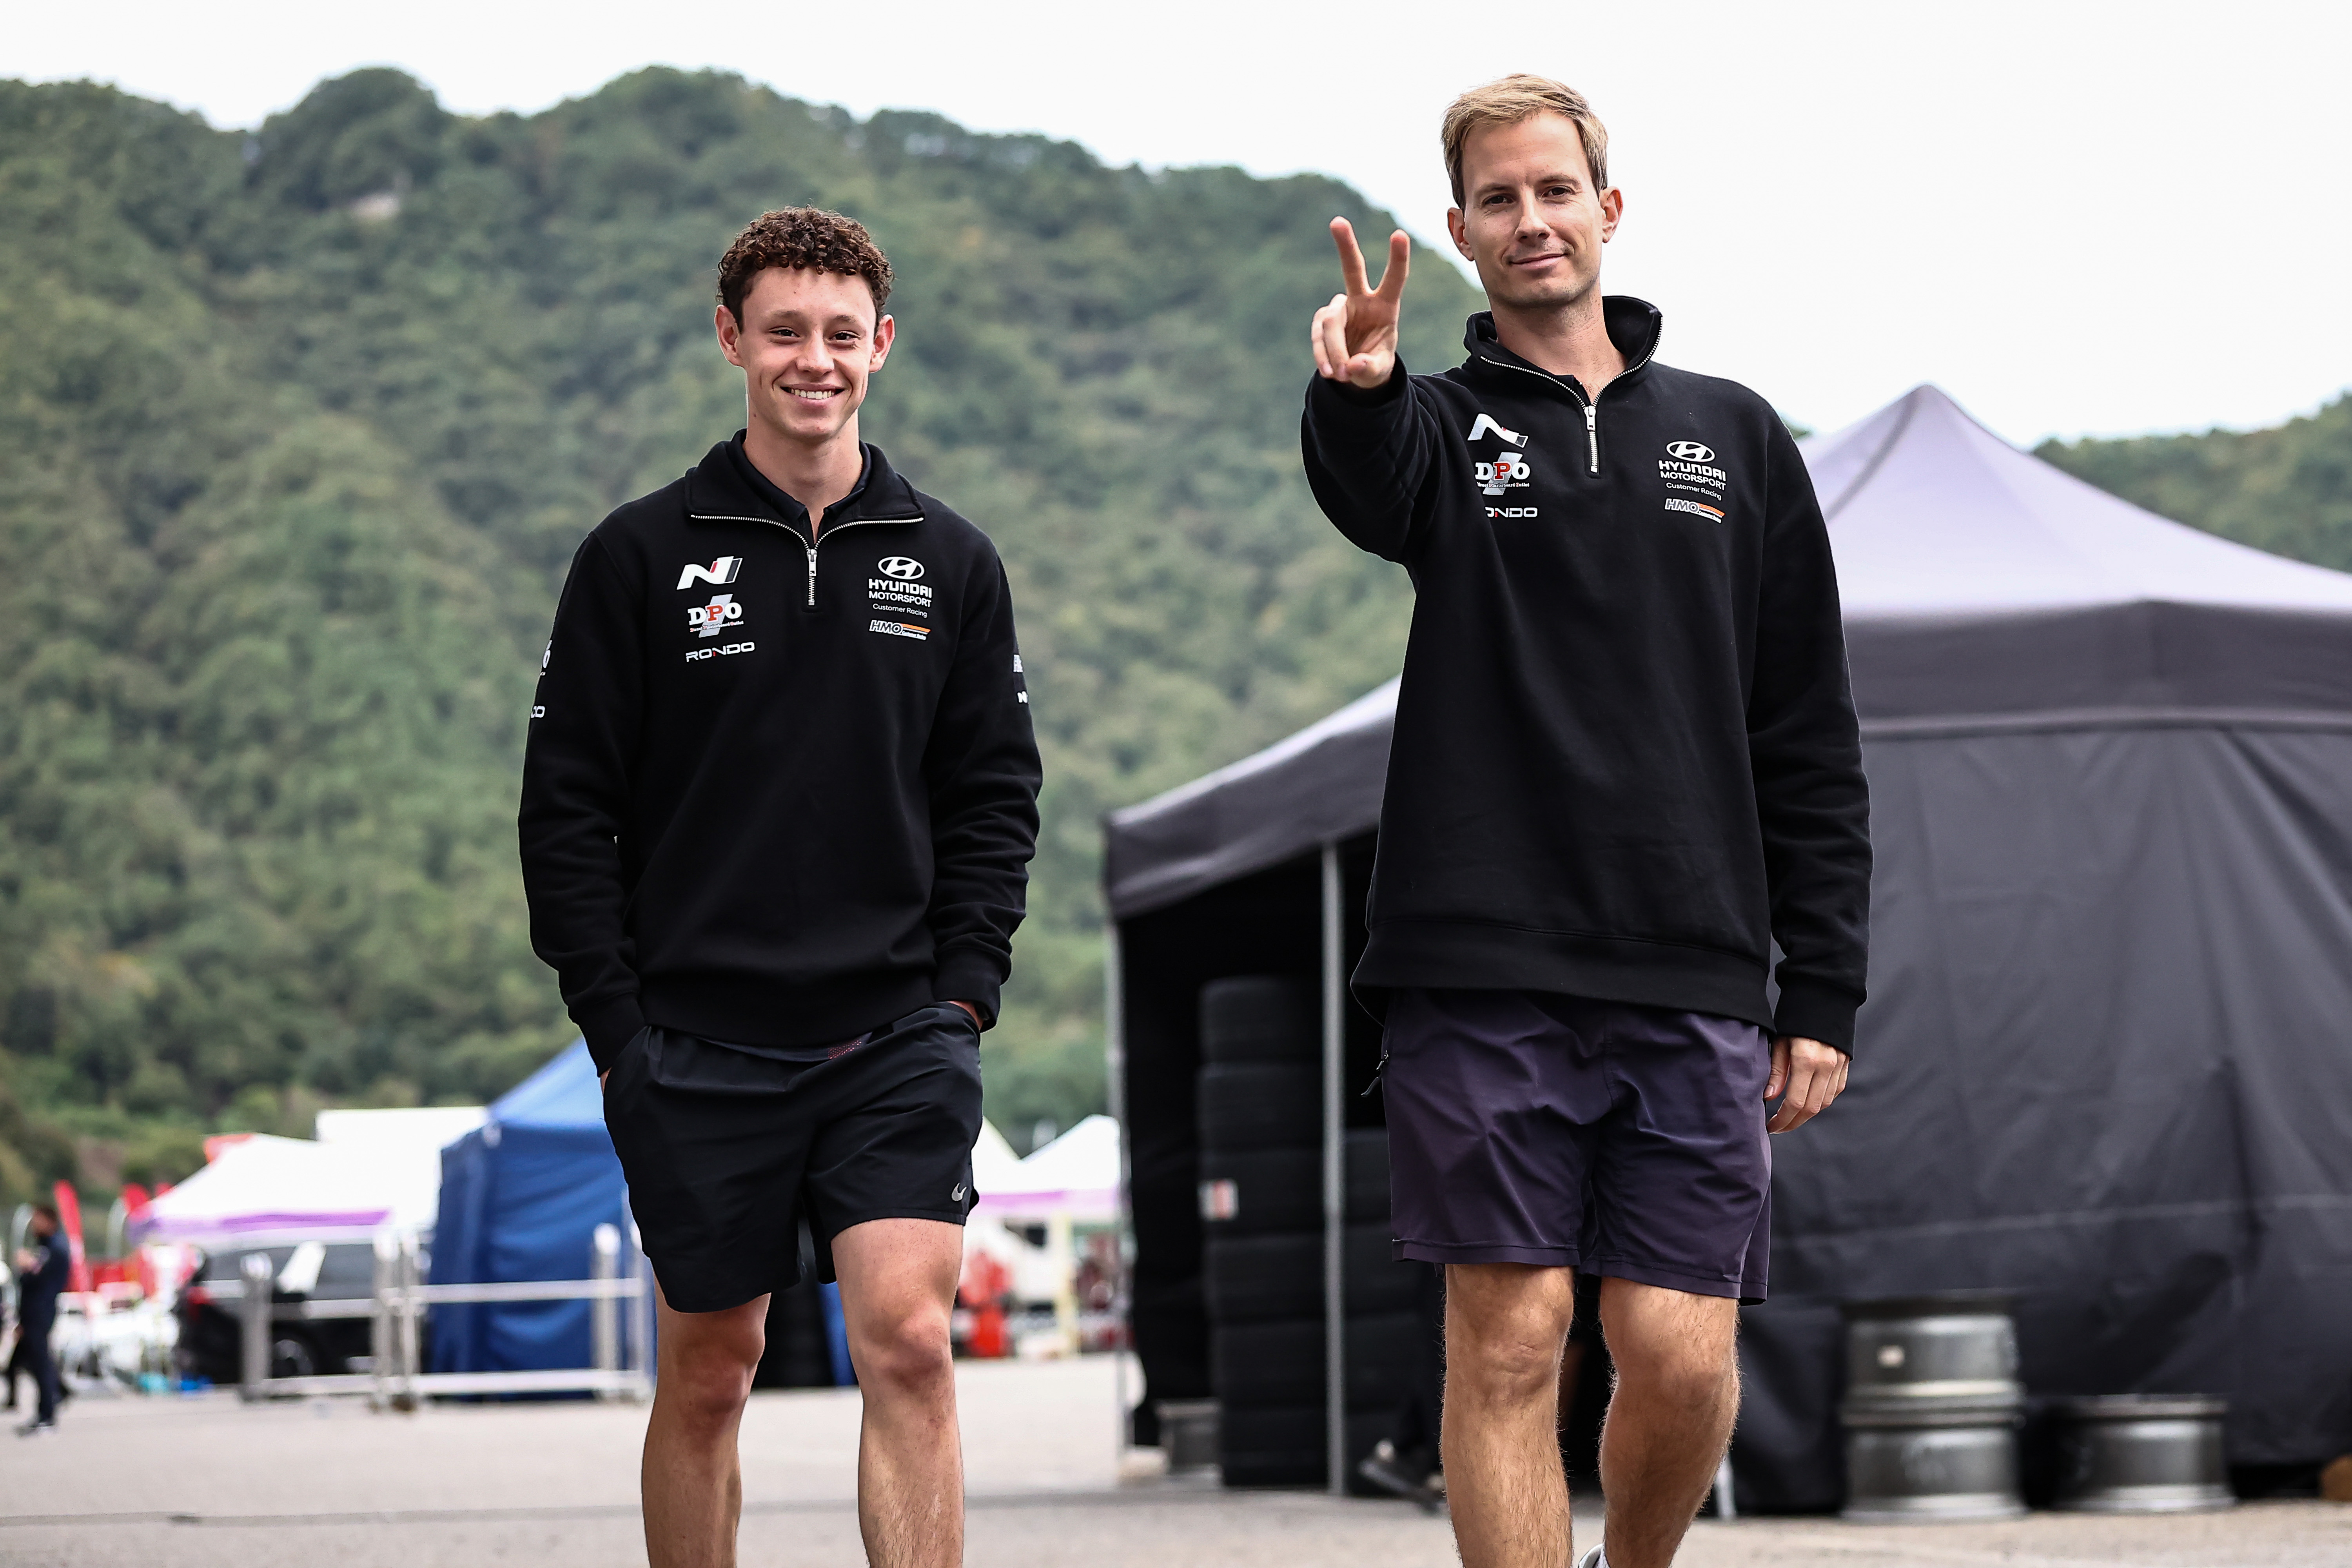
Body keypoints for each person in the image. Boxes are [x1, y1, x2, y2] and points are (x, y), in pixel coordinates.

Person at [1301, 75, 1871, 1568]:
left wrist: (1820, 982)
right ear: (1461, 230)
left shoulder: (1733, 437)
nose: (1531, 219)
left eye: (1554, 190)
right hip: (1476, 963)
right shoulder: (1436, 424)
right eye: (1497, 198)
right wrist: (1356, 391)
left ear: (1606, 209)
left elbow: (1805, 728)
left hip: (1691, 964)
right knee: (1508, 1338)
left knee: (1679, 1352)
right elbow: (1371, 491)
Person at [520, 207, 1041, 1568]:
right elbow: (566, 812)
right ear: (732, 340)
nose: (815, 358)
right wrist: (617, 1031)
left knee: (911, 1342)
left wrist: (964, 993)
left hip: (899, 1032)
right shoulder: (637, 557)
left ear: (883, 344)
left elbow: (994, 796)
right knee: (712, 1368)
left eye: (841, 333)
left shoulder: (949, 560)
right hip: (693, 1040)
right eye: (785, 331)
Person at [12, 1204, 68, 1436]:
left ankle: (48, 1413)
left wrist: (28, 1266)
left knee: (41, 1363)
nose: (34, 1225)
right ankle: (58, 1394)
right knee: (31, 1362)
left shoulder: (55, 1248)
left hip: (40, 1312)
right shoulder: (46, 1246)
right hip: (33, 1313)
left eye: (38, 1220)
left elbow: (38, 1280)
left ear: (49, 1221)